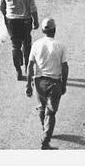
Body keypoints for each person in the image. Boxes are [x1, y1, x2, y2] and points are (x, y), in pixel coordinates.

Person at [26, 17, 69, 150]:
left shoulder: (36, 44)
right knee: (50, 113)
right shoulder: (60, 46)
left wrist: (28, 84)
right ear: (54, 30)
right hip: (54, 83)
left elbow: (30, 66)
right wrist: (64, 84)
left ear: (43, 31)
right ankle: (45, 141)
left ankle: (45, 130)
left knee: (42, 107)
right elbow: (65, 67)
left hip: (39, 82)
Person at [0, 0, 39, 82]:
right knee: (27, 44)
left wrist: (7, 18)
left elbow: (1, 7)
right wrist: (36, 21)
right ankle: (27, 68)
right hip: (25, 21)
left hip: (11, 21)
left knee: (15, 46)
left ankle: (18, 71)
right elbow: (33, 8)